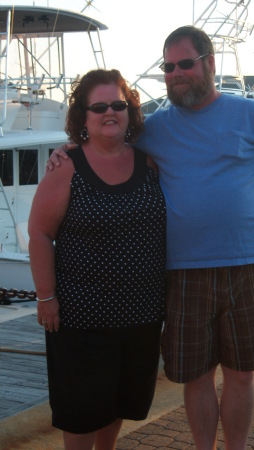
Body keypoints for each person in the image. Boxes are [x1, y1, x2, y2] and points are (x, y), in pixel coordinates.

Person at [47, 26, 254, 450]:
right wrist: (67, 147)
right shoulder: (153, 127)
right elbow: (104, 133)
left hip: (250, 268)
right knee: (195, 375)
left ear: (209, 63)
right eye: (168, 67)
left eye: (184, 64)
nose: (175, 74)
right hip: (183, 272)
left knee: (243, 374)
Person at [28, 69, 166, 450]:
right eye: (100, 106)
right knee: (81, 410)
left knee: (121, 402)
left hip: (141, 317)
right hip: (81, 317)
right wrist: (45, 296)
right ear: (83, 116)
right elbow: (39, 233)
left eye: (119, 105)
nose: (110, 112)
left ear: (130, 111)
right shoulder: (67, 167)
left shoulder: (149, 164)